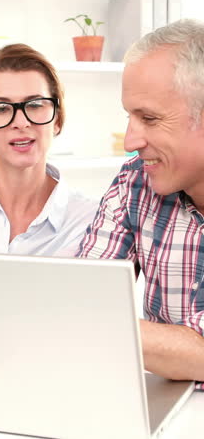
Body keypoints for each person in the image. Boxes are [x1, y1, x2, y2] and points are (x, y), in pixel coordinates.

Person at [77, 19, 204, 387]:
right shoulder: (136, 181)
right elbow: (82, 295)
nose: (130, 140)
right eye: (129, 117)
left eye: (149, 118)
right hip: (164, 409)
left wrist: (73, 319)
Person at [0, 43, 98, 256]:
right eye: (2, 109)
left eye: (34, 105)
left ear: (57, 120)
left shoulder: (89, 221)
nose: (21, 122)